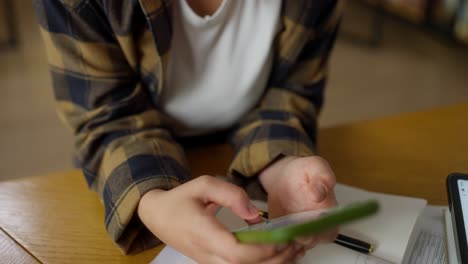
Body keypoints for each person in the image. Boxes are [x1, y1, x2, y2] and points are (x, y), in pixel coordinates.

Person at [33, 0, 342, 263]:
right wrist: (154, 204)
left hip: (242, 159)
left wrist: (281, 166)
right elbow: (106, 116)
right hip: (125, 160)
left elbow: (290, 93)